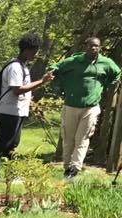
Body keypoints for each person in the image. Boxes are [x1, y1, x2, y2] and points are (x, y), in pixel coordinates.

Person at [48, 37, 121, 180]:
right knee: (69, 138)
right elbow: (55, 69)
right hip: (71, 105)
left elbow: (117, 73)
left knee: (83, 139)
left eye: (96, 46)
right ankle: (67, 167)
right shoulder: (74, 61)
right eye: (90, 46)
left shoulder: (106, 63)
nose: (93, 48)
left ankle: (74, 169)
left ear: (100, 48)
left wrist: (106, 86)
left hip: (91, 107)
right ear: (85, 47)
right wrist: (59, 87)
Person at [0, 34, 54, 182]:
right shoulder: (15, 67)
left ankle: (11, 173)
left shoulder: (23, 67)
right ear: (27, 50)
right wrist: (42, 82)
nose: (36, 54)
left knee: (13, 144)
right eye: (35, 51)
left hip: (18, 111)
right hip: (9, 110)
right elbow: (17, 89)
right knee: (2, 142)